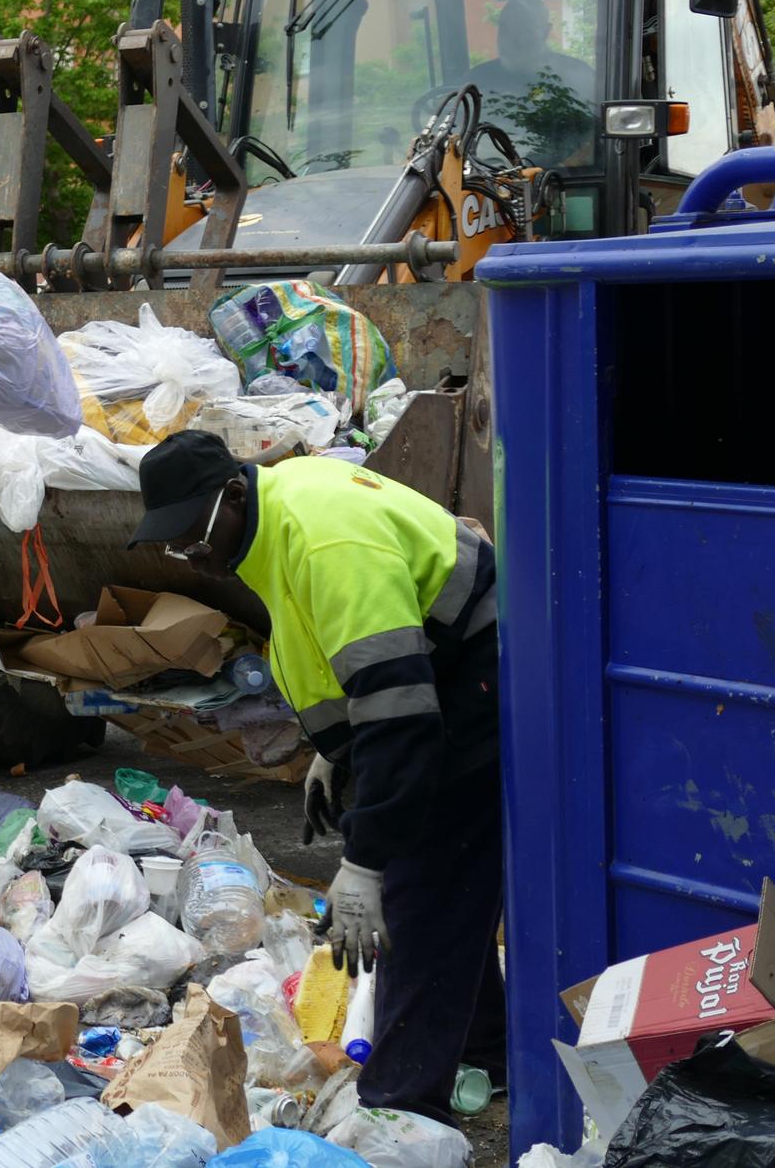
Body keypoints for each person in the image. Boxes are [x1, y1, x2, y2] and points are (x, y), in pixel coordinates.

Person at [128, 431, 502, 1126]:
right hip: (442, 672)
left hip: (480, 674)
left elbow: (401, 715)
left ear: (233, 495)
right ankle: (487, 1052)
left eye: (193, 538)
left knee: (420, 889)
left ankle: (402, 1109)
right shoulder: (273, 523)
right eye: (175, 546)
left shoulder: (323, 539)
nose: (192, 557)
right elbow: (335, 644)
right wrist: (336, 748)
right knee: (450, 884)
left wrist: (365, 863)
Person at [467, 0, 596, 164]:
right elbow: (458, 132)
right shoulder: (476, 80)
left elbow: (591, 137)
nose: (513, 37)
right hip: (487, 175)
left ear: (546, 31)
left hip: (561, 175)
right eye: (506, 28)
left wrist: (564, 165)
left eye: (524, 28)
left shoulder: (579, 77)